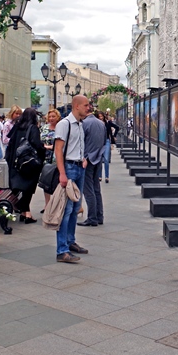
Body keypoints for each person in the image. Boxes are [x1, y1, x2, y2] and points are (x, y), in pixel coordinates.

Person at [53, 94, 90, 264]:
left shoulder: (80, 124)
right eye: (86, 105)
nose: (88, 108)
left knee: (75, 207)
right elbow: (58, 150)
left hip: (78, 167)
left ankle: (70, 241)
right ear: (76, 106)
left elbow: (77, 146)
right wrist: (62, 173)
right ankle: (62, 250)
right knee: (65, 210)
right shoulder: (64, 124)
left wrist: (83, 158)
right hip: (68, 168)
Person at [5, 107, 45, 223]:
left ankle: (24, 212)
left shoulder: (17, 127)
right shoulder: (33, 128)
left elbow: (10, 142)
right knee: (29, 187)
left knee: (21, 185)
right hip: (29, 162)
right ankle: (26, 212)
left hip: (16, 161)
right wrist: (44, 150)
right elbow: (37, 145)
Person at [78, 105, 105, 228]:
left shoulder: (84, 124)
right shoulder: (101, 124)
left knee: (88, 190)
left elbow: (81, 142)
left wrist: (84, 157)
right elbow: (104, 141)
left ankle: (92, 218)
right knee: (96, 189)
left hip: (87, 159)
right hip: (98, 158)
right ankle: (99, 216)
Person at [39, 108, 61, 214]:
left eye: (53, 116)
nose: (51, 118)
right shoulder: (44, 128)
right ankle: (47, 204)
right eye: (50, 116)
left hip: (56, 158)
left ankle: (56, 205)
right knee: (46, 181)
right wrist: (44, 146)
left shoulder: (60, 128)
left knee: (56, 181)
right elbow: (39, 140)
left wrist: (51, 147)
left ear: (57, 117)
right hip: (44, 158)